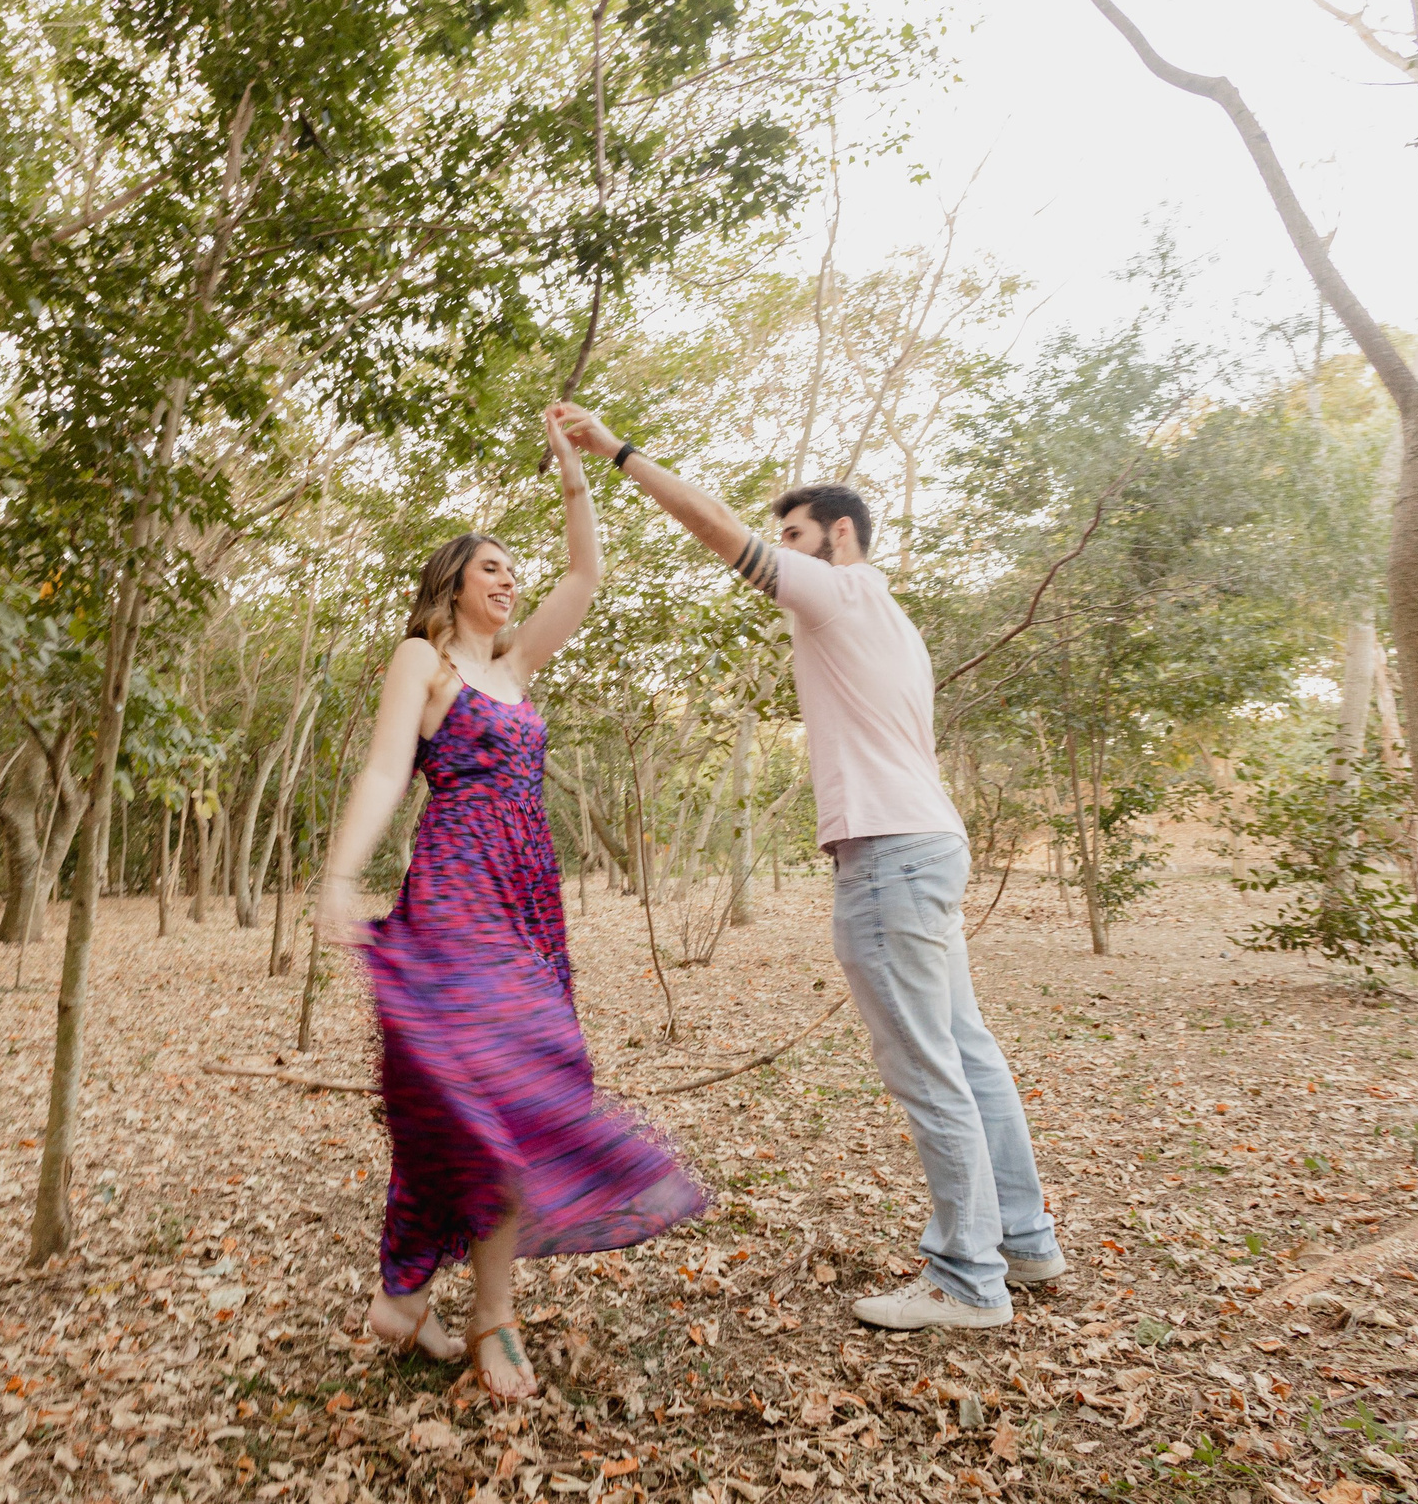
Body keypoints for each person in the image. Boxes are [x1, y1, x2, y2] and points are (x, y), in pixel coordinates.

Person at [554, 402, 1065, 1330]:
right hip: (929, 843)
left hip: (890, 856)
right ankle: (1022, 1244)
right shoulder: (893, 621)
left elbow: (722, 534)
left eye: (792, 533)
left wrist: (617, 451)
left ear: (839, 534)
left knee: (928, 1065)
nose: (778, 548)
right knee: (968, 1053)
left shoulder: (839, 590)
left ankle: (966, 1279)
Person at [317, 408, 708, 1400]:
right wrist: (337, 875)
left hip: (530, 899)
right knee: (487, 1090)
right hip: (454, 890)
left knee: (502, 1093)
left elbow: (585, 580)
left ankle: (420, 1301)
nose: (510, 582)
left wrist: (577, 473)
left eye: (510, 571)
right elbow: (378, 775)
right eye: (491, 569)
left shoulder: (516, 667)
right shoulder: (426, 661)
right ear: (451, 586)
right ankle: (473, 1314)